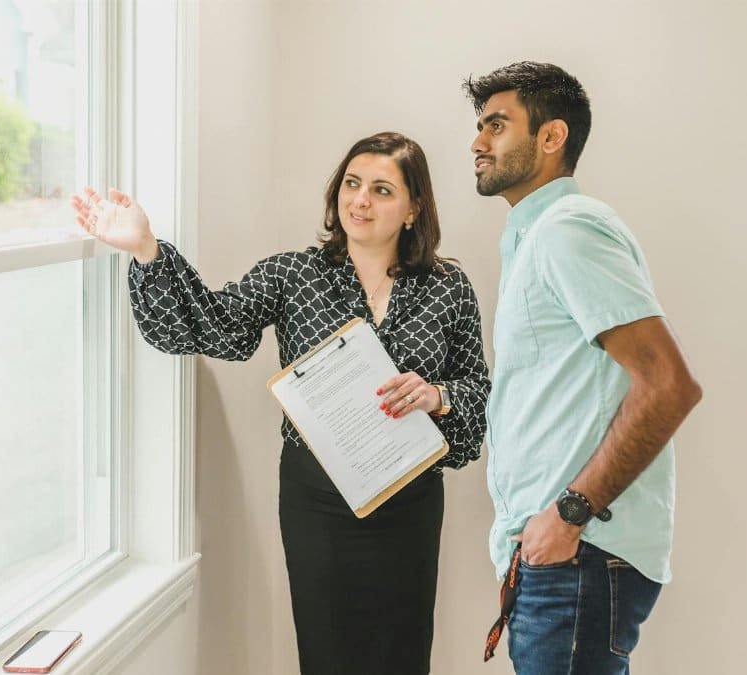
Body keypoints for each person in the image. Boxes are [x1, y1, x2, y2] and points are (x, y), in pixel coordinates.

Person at [71, 131, 490, 675]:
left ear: (413, 209)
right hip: (318, 502)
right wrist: (147, 248)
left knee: (403, 653)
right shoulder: (294, 274)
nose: (360, 200)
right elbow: (214, 326)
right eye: (352, 183)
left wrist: (438, 396)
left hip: (409, 500)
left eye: (382, 190)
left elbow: (478, 392)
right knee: (327, 651)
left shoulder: (449, 287)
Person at [465, 62, 703, 674]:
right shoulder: (533, 238)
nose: (477, 142)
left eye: (497, 125)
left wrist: (569, 514)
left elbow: (669, 385)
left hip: (578, 555)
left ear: (552, 136)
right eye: (480, 126)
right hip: (558, 558)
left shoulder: (568, 231)